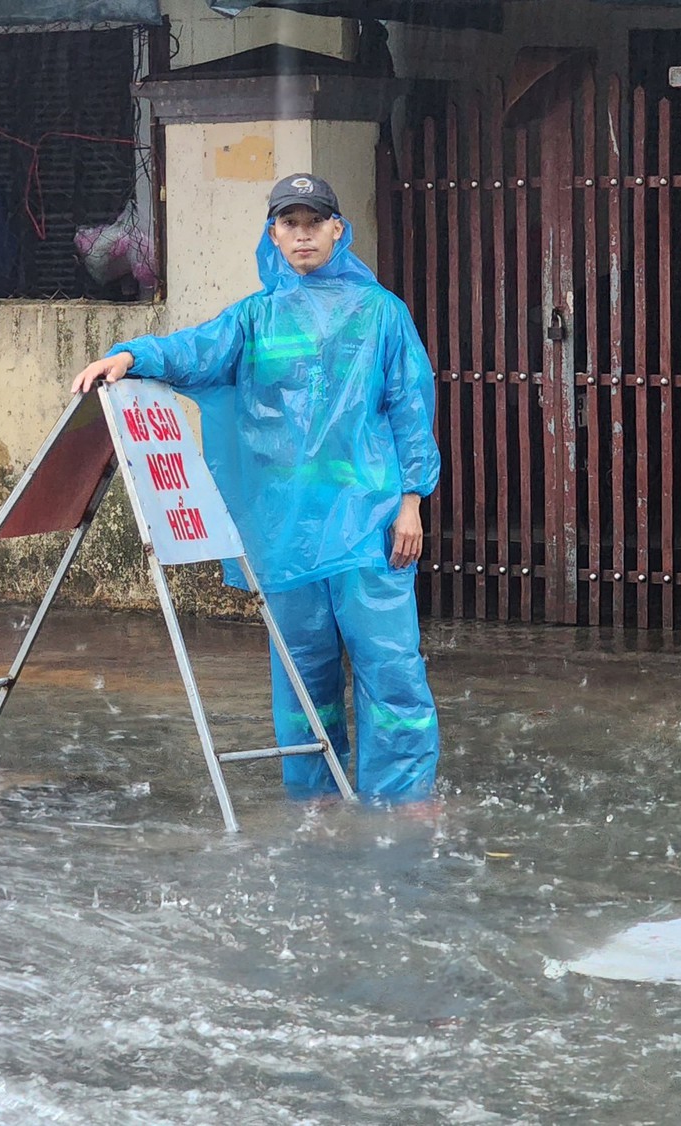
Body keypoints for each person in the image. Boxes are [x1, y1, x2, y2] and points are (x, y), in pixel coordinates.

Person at [70, 173, 442, 805]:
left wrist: (411, 501)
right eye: (288, 223)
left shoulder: (383, 314)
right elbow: (197, 350)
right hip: (287, 535)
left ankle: (403, 805)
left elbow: (411, 406)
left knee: (391, 670)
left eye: (313, 222)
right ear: (273, 233)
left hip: (367, 525)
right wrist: (130, 357)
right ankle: (316, 802)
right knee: (302, 681)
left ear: (336, 229)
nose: (302, 234)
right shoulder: (256, 316)